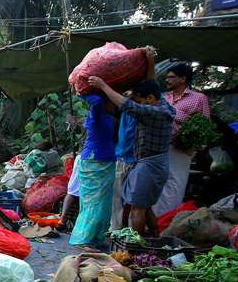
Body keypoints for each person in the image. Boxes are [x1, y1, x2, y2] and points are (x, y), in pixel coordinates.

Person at [89, 47, 175, 238]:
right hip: (153, 164)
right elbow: (152, 83)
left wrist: (103, 85)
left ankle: (133, 246)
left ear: (149, 99)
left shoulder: (154, 113)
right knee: (146, 207)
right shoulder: (161, 103)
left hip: (148, 165)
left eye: (139, 100)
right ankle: (155, 241)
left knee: (137, 209)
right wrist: (150, 61)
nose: (137, 104)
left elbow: (127, 105)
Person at [155, 63, 210, 216]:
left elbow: (204, 124)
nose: (168, 80)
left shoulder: (199, 98)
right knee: (159, 181)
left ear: (183, 79)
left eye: (171, 77)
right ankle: (155, 220)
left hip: (181, 148)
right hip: (161, 146)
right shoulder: (165, 98)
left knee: (175, 183)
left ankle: (168, 218)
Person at [69, 95, 118, 252]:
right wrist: (81, 91)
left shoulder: (108, 117)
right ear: (105, 102)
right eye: (111, 100)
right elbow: (96, 101)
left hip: (106, 163)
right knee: (94, 203)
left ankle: (95, 238)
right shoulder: (94, 117)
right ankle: (82, 239)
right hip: (93, 163)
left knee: (104, 205)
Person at [111, 110, 137, 230]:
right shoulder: (125, 109)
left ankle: (133, 230)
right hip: (120, 156)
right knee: (115, 195)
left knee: (135, 199)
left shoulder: (145, 110)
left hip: (136, 159)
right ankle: (114, 228)